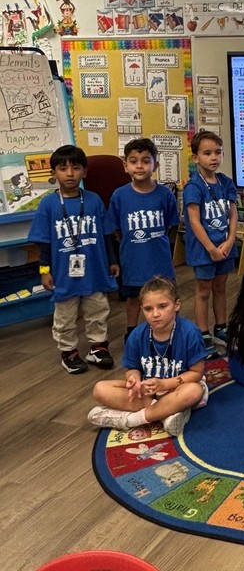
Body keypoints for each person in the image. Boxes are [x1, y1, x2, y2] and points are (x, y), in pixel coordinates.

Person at [29, 145, 119, 374]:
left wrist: (112, 261)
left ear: (84, 172)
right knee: (65, 314)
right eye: (63, 168)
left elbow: (106, 234)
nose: (70, 173)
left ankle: (98, 347)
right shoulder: (48, 205)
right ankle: (68, 352)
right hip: (63, 273)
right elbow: (44, 242)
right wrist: (44, 270)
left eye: (76, 168)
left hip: (95, 270)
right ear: (53, 173)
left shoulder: (94, 200)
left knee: (98, 309)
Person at [87, 276, 207, 436]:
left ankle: (132, 419)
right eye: (148, 309)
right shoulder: (137, 335)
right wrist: (134, 379)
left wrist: (165, 384)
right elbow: (132, 367)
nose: (155, 314)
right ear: (142, 308)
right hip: (149, 391)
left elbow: (197, 373)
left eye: (162, 306)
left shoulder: (190, 333)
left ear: (176, 305)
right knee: (100, 389)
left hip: (178, 387)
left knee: (194, 391)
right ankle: (166, 414)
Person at [105, 138, 179, 344]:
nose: (139, 166)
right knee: (133, 299)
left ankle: (168, 333)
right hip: (133, 261)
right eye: (134, 161)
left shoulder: (165, 194)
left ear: (155, 164)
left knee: (164, 298)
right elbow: (116, 229)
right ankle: (132, 333)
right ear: (125, 165)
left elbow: (170, 224)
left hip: (160, 261)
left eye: (146, 161)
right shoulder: (119, 196)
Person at [183, 130, 238, 352]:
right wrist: (210, 248)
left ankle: (221, 327)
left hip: (225, 247)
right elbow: (194, 221)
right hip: (204, 250)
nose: (214, 158)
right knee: (203, 290)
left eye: (218, 152)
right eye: (207, 153)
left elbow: (233, 214)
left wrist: (231, 240)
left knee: (222, 288)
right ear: (196, 157)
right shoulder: (194, 186)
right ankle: (203, 331)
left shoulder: (226, 182)